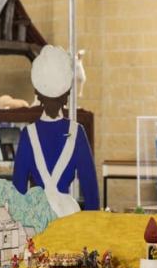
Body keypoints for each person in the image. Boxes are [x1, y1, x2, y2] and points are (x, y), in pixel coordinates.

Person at [12, 45, 99, 216]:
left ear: (38, 93)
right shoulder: (76, 131)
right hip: (68, 215)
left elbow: (18, 189)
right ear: (67, 93)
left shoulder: (28, 134)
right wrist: (92, 226)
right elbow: (90, 188)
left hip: (37, 216)